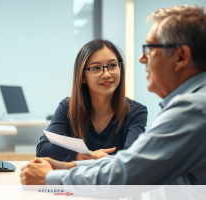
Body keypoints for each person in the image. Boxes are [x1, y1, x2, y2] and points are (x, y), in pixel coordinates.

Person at [20, 5, 206, 185]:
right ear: (82, 76)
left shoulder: (192, 109)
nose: (142, 58)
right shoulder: (192, 105)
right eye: (96, 68)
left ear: (181, 56)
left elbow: (130, 171)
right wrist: (71, 164)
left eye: (150, 48)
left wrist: (53, 177)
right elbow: (133, 165)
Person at [36, 39, 148, 162]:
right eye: (96, 68)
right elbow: (43, 149)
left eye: (113, 65)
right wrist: (82, 155)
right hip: (75, 180)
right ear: (83, 76)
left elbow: (131, 160)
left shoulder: (136, 112)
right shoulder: (68, 107)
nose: (106, 74)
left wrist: (96, 159)